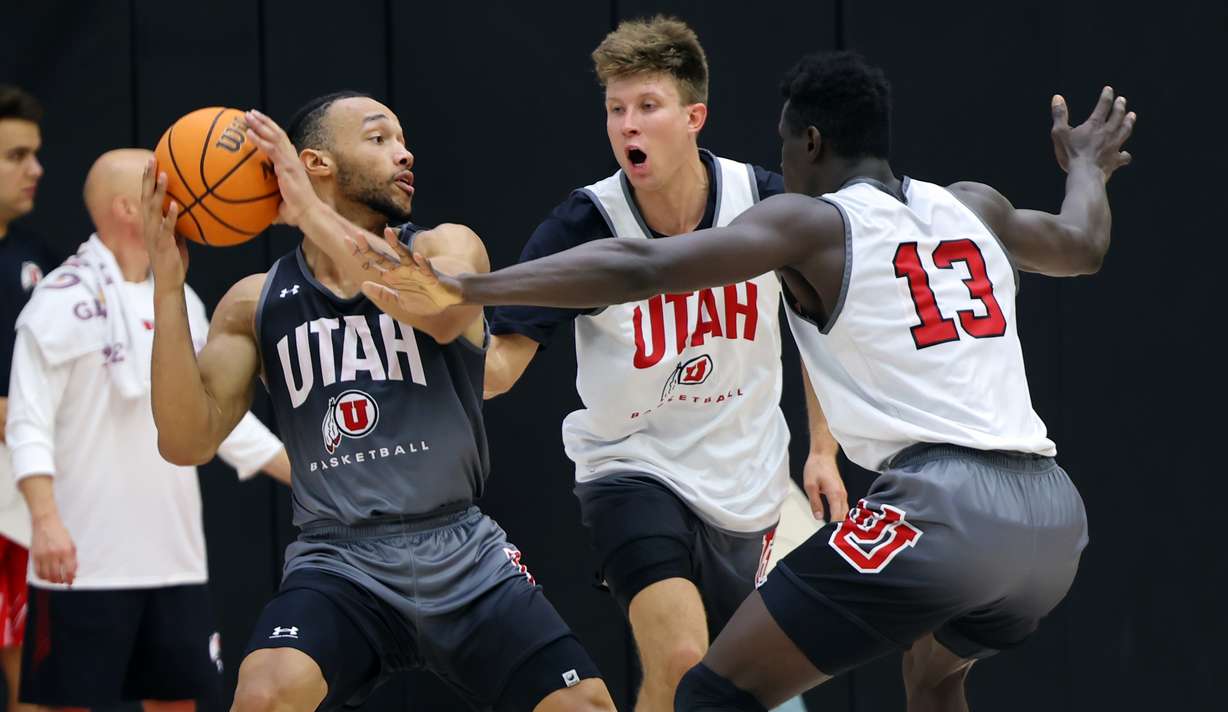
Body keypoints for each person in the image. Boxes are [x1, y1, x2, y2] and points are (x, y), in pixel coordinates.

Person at [350, 51, 1136, 711]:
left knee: (709, 694)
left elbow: (645, 263)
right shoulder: (975, 207)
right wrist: (1089, 167)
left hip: (943, 510)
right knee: (934, 677)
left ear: (813, 143)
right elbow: (1081, 244)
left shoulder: (811, 221)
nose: (783, 163)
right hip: (1053, 520)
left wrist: (471, 289)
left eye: (788, 147)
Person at [141, 92, 616, 711]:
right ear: (314, 162)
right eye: (379, 138)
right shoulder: (255, 302)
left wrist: (311, 215)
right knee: (264, 694)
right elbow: (186, 442)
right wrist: (168, 287)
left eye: (402, 138)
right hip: (338, 563)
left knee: (586, 707)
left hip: (461, 552)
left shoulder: (450, 247)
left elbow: (440, 313)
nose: (404, 152)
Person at [484, 18, 846, 709]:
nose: (628, 126)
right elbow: (501, 366)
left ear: (693, 117)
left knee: (721, 685)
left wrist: (823, 450)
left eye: (646, 107)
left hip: (747, 479)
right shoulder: (586, 223)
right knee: (680, 658)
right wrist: (419, 350)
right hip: (632, 467)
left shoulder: (766, 203)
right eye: (616, 111)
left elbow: (819, 332)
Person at [4, 148, 291, 711]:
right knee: (64, 704)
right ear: (127, 209)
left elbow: (221, 420)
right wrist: (45, 520)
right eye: (159, 184)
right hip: (83, 561)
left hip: (172, 558)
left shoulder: (180, 297)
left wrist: (310, 476)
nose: (177, 195)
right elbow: (26, 420)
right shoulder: (57, 302)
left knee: (178, 703)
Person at [0, 83, 54, 712]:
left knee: (33, 675)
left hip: (19, 490)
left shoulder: (39, 258)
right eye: (16, 155)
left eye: (35, 153)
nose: (35, 169)